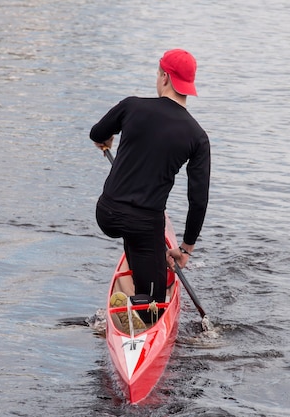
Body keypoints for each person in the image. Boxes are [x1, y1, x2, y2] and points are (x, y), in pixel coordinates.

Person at [90, 49, 210, 326]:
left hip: (106, 213)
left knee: (134, 234)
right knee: (154, 300)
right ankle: (143, 305)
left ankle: (130, 294)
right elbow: (198, 200)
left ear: (165, 77)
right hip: (144, 222)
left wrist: (106, 140)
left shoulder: (132, 106)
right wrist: (185, 249)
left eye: (158, 74)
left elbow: (96, 134)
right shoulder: (197, 136)